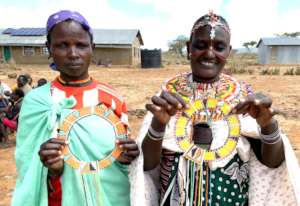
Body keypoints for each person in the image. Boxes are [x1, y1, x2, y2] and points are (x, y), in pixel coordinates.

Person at [130, 12, 300, 206]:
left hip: (230, 197)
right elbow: (148, 164)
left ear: (228, 51)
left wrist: (268, 124)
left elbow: (272, 163)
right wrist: (158, 124)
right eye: (201, 45)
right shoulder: (170, 92)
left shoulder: (243, 95)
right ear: (188, 49)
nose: (210, 54)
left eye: (219, 47)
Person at [12, 10, 139, 206]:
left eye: (81, 45)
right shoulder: (36, 102)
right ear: (49, 48)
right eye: (62, 45)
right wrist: (52, 169)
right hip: (59, 198)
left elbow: (121, 159)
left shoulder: (112, 98)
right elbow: (27, 166)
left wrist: (125, 158)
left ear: (92, 48)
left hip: (111, 198)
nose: (73, 54)